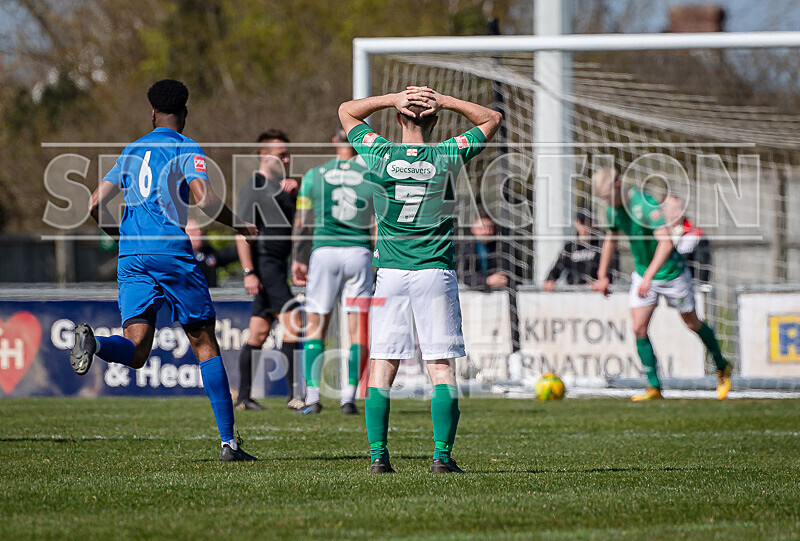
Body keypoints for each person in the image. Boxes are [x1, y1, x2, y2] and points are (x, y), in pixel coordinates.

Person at [69, 79, 258, 461]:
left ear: (152, 112)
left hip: (131, 256)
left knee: (137, 350)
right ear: (185, 114)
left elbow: (92, 203)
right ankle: (229, 444)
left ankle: (96, 343)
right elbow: (203, 198)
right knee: (204, 342)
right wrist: (238, 224)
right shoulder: (186, 147)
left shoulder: (132, 149)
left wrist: (116, 231)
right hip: (169, 252)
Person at [339, 85, 502, 474]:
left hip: (391, 273)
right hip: (434, 271)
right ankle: (441, 457)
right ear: (434, 121)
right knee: (440, 366)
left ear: (398, 118)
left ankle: (379, 457)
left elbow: (347, 111)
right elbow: (491, 118)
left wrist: (391, 97)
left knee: (383, 364)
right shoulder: (447, 153)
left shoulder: (379, 152)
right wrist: (445, 101)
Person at [591, 168, 732, 401]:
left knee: (692, 323)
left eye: (607, 197)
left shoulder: (645, 205)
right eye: (602, 199)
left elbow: (665, 244)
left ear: (618, 185)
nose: (605, 203)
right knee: (639, 328)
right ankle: (654, 386)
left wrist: (649, 277)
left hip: (671, 273)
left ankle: (722, 365)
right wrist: (602, 274)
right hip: (643, 274)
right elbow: (610, 238)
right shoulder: (612, 209)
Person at [291, 128, 374, 415]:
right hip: (358, 252)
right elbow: (377, 223)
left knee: (316, 327)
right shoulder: (371, 175)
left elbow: (302, 221)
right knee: (357, 329)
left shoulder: (314, 175)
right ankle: (349, 398)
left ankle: (313, 398)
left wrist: (298, 257)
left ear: (334, 143)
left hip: (324, 252)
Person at [234, 129, 304, 411]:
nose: (286, 159)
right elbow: (241, 233)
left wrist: (294, 196)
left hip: (278, 265)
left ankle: (243, 398)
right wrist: (248, 271)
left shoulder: (283, 188)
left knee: (259, 333)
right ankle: (295, 396)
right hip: (265, 264)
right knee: (294, 323)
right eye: (281, 154)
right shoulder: (254, 186)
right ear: (264, 156)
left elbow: (296, 226)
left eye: (288, 154)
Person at [542, 208, 617, 291]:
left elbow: (614, 269)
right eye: (582, 222)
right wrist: (550, 280)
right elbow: (557, 268)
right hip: (574, 293)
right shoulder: (569, 248)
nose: (586, 227)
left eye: (589, 223)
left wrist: (604, 281)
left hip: (596, 293)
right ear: (576, 223)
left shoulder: (604, 246)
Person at [662, 195, 712, 284]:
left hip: (681, 282)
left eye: (680, 209)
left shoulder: (692, 236)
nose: (678, 214)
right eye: (672, 209)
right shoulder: (656, 230)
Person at [456, 210, 509, 289]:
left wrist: (502, 278)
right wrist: (487, 281)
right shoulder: (465, 246)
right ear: (472, 228)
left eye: (490, 227)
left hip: (498, 291)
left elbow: (513, 272)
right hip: (470, 293)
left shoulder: (500, 245)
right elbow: (462, 275)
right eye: (482, 227)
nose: (486, 231)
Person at [185, 219, 238, 288]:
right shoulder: (177, 258)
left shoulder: (207, 251)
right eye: (193, 231)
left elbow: (227, 254)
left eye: (199, 229)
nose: (199, 232)